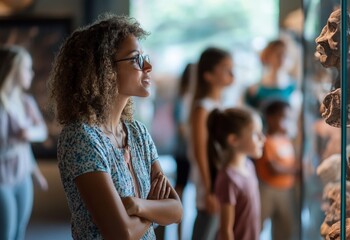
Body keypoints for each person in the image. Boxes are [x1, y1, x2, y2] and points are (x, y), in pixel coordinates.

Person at [47, 14, 183, 240]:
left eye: (144, 57)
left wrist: (137, 205)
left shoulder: (138, 132)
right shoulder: (81, 137)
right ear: (104, 70)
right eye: (135, 59)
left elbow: (177, 211)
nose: (147, 66)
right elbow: (121, 234)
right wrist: (154, 209)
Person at [0, 45, 48, 240]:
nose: (31, 73)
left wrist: (29, 133)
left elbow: (41, 132)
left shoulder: (26, 102)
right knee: (6, 234)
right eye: (27, 68)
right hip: (2, 180)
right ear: (13, 68)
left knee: (19, 233)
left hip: (22, 176)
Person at [189, 47, 234, 240]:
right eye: (225, 68)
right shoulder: (202, 109)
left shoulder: (221, 104)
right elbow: (200, 152)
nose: (231, 74)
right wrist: (209, 189)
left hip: (221, 178)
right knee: (205, 230)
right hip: (210, 181)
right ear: (208, 75)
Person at [207, 107, 265, 240]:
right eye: (256, 134)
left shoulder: (249, 166)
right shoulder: (228, 178)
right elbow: (226, 231)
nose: (263, 138)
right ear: (233, 140)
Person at [254, 100, 298, 240]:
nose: (287, 121)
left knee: (284, 229)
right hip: (267, 190)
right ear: (270, 118)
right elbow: (273, 168)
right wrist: (295, 170)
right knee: (257, 225)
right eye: (283, 117)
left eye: (289, 118)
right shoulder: (266, 141)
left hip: (286, 191)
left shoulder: (286, 139)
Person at [172, 63, 195, 240]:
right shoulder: (182, 99)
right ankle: (180, 235)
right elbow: (181, 129)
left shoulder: (194, 98)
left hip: (190, 150)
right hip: (184, 152)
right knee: (180, 192)